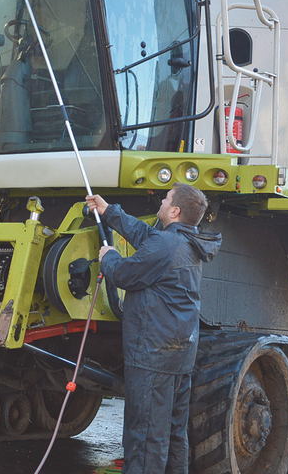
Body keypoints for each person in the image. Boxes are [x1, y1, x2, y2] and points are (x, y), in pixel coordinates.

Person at [85, 184, 222, 474]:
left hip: (152, 356)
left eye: (166, 198)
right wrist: (108, 211)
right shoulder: (182, 242)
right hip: (178, 356)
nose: (161, 200)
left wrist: (108, 256)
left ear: (174, 210)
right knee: (172, 436)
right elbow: (144, 236)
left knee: (145, 438)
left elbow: (124, 274)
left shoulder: (166, 245)